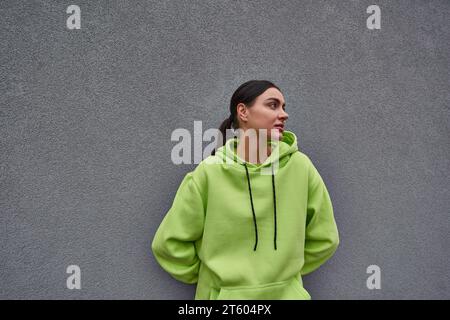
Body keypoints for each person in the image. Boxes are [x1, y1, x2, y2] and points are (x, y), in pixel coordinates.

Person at [151, 80, 340, 300]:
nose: (284, 114)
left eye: (283, 107)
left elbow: (326, 238)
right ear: (243, 111)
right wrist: (217, 284)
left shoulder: (301, 167)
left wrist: (284, 276)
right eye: (272, 105)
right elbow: (168, 243)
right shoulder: (210, 173)